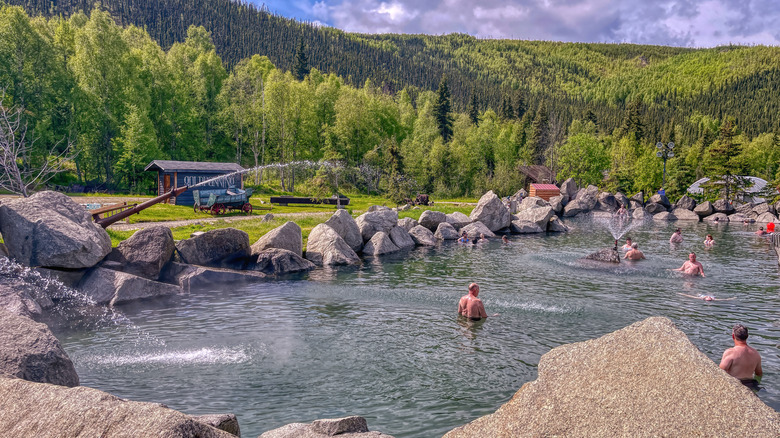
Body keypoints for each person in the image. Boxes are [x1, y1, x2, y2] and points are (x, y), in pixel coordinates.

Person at [719, 324, 762, 390]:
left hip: (736, 384)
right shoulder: (756, 353)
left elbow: (719, 372)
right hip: (751, 384)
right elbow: (759, 374)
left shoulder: (730, 352)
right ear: (747, 336)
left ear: (733, 336)